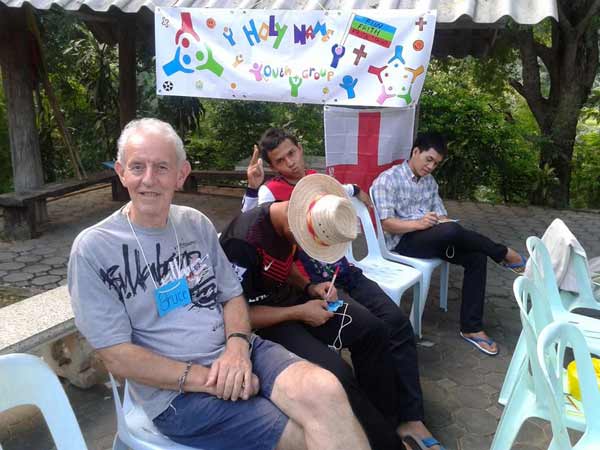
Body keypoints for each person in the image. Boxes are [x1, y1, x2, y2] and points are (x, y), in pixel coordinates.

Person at [67, 118, 371, 450]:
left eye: (162, 167)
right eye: (137, 167)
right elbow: (117, 356)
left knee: (326, 388)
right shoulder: (94, 248)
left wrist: (237, 351)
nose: (149, 179)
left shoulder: (195, 224)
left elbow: (232, 296)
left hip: (239, 350)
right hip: (175, 393)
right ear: (121, 172)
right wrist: (211, 379)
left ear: (181, 174)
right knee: (301, 436)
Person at [239, 128, 445, 450]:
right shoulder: (271, 194)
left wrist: (357, 190)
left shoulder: (316, 182)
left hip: (343, 270)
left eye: (292, 153)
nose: (290, 163)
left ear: (300, 149)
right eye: (280, 160)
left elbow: (340, 191)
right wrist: (253, 188)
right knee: (367, 331)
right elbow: (250, 229)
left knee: (397, 323)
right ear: (272, 166)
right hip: (312, 282)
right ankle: (378, 422)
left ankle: (410, 416)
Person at [371, 132, 527, 357]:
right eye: (428, 160)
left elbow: (442, 215)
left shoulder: (429, 182)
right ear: (415, 151)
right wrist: (419, 223)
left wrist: (441, 222)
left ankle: (472, 328)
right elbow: (387, 224)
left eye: (436, 164)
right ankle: (505, 254)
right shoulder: (388, 179)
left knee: (475, 256)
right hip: (402, 242)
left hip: (434, 237)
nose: (431, 167)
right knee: (452, 231)